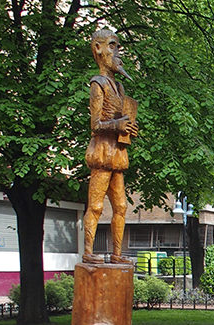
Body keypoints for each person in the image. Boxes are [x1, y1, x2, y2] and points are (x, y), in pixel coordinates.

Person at [82, 28, 139, 264]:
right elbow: (95, 125)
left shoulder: (119, 88)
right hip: (102, 153)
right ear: (99, 49)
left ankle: (116, 254)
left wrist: (129, 129)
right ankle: (88, 251)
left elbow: (122, 123)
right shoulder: (98, 84)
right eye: (113, 45)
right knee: (95, 205)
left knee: (121, 206)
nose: (118, 52)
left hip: (117, 153)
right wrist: (117, 125)